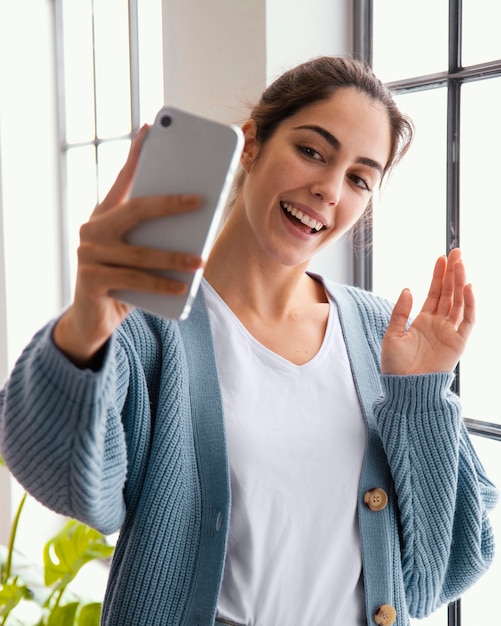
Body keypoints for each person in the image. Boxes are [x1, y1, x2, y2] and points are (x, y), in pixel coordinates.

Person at [0, 56, 497, 626]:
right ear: (252, 144)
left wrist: (422, 397)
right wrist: (88, 319)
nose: (329, 189)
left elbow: (443, 568)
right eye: (312, 151)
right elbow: (65, 479)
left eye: (360, 177)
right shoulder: (147, 327)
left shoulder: (382, 335)